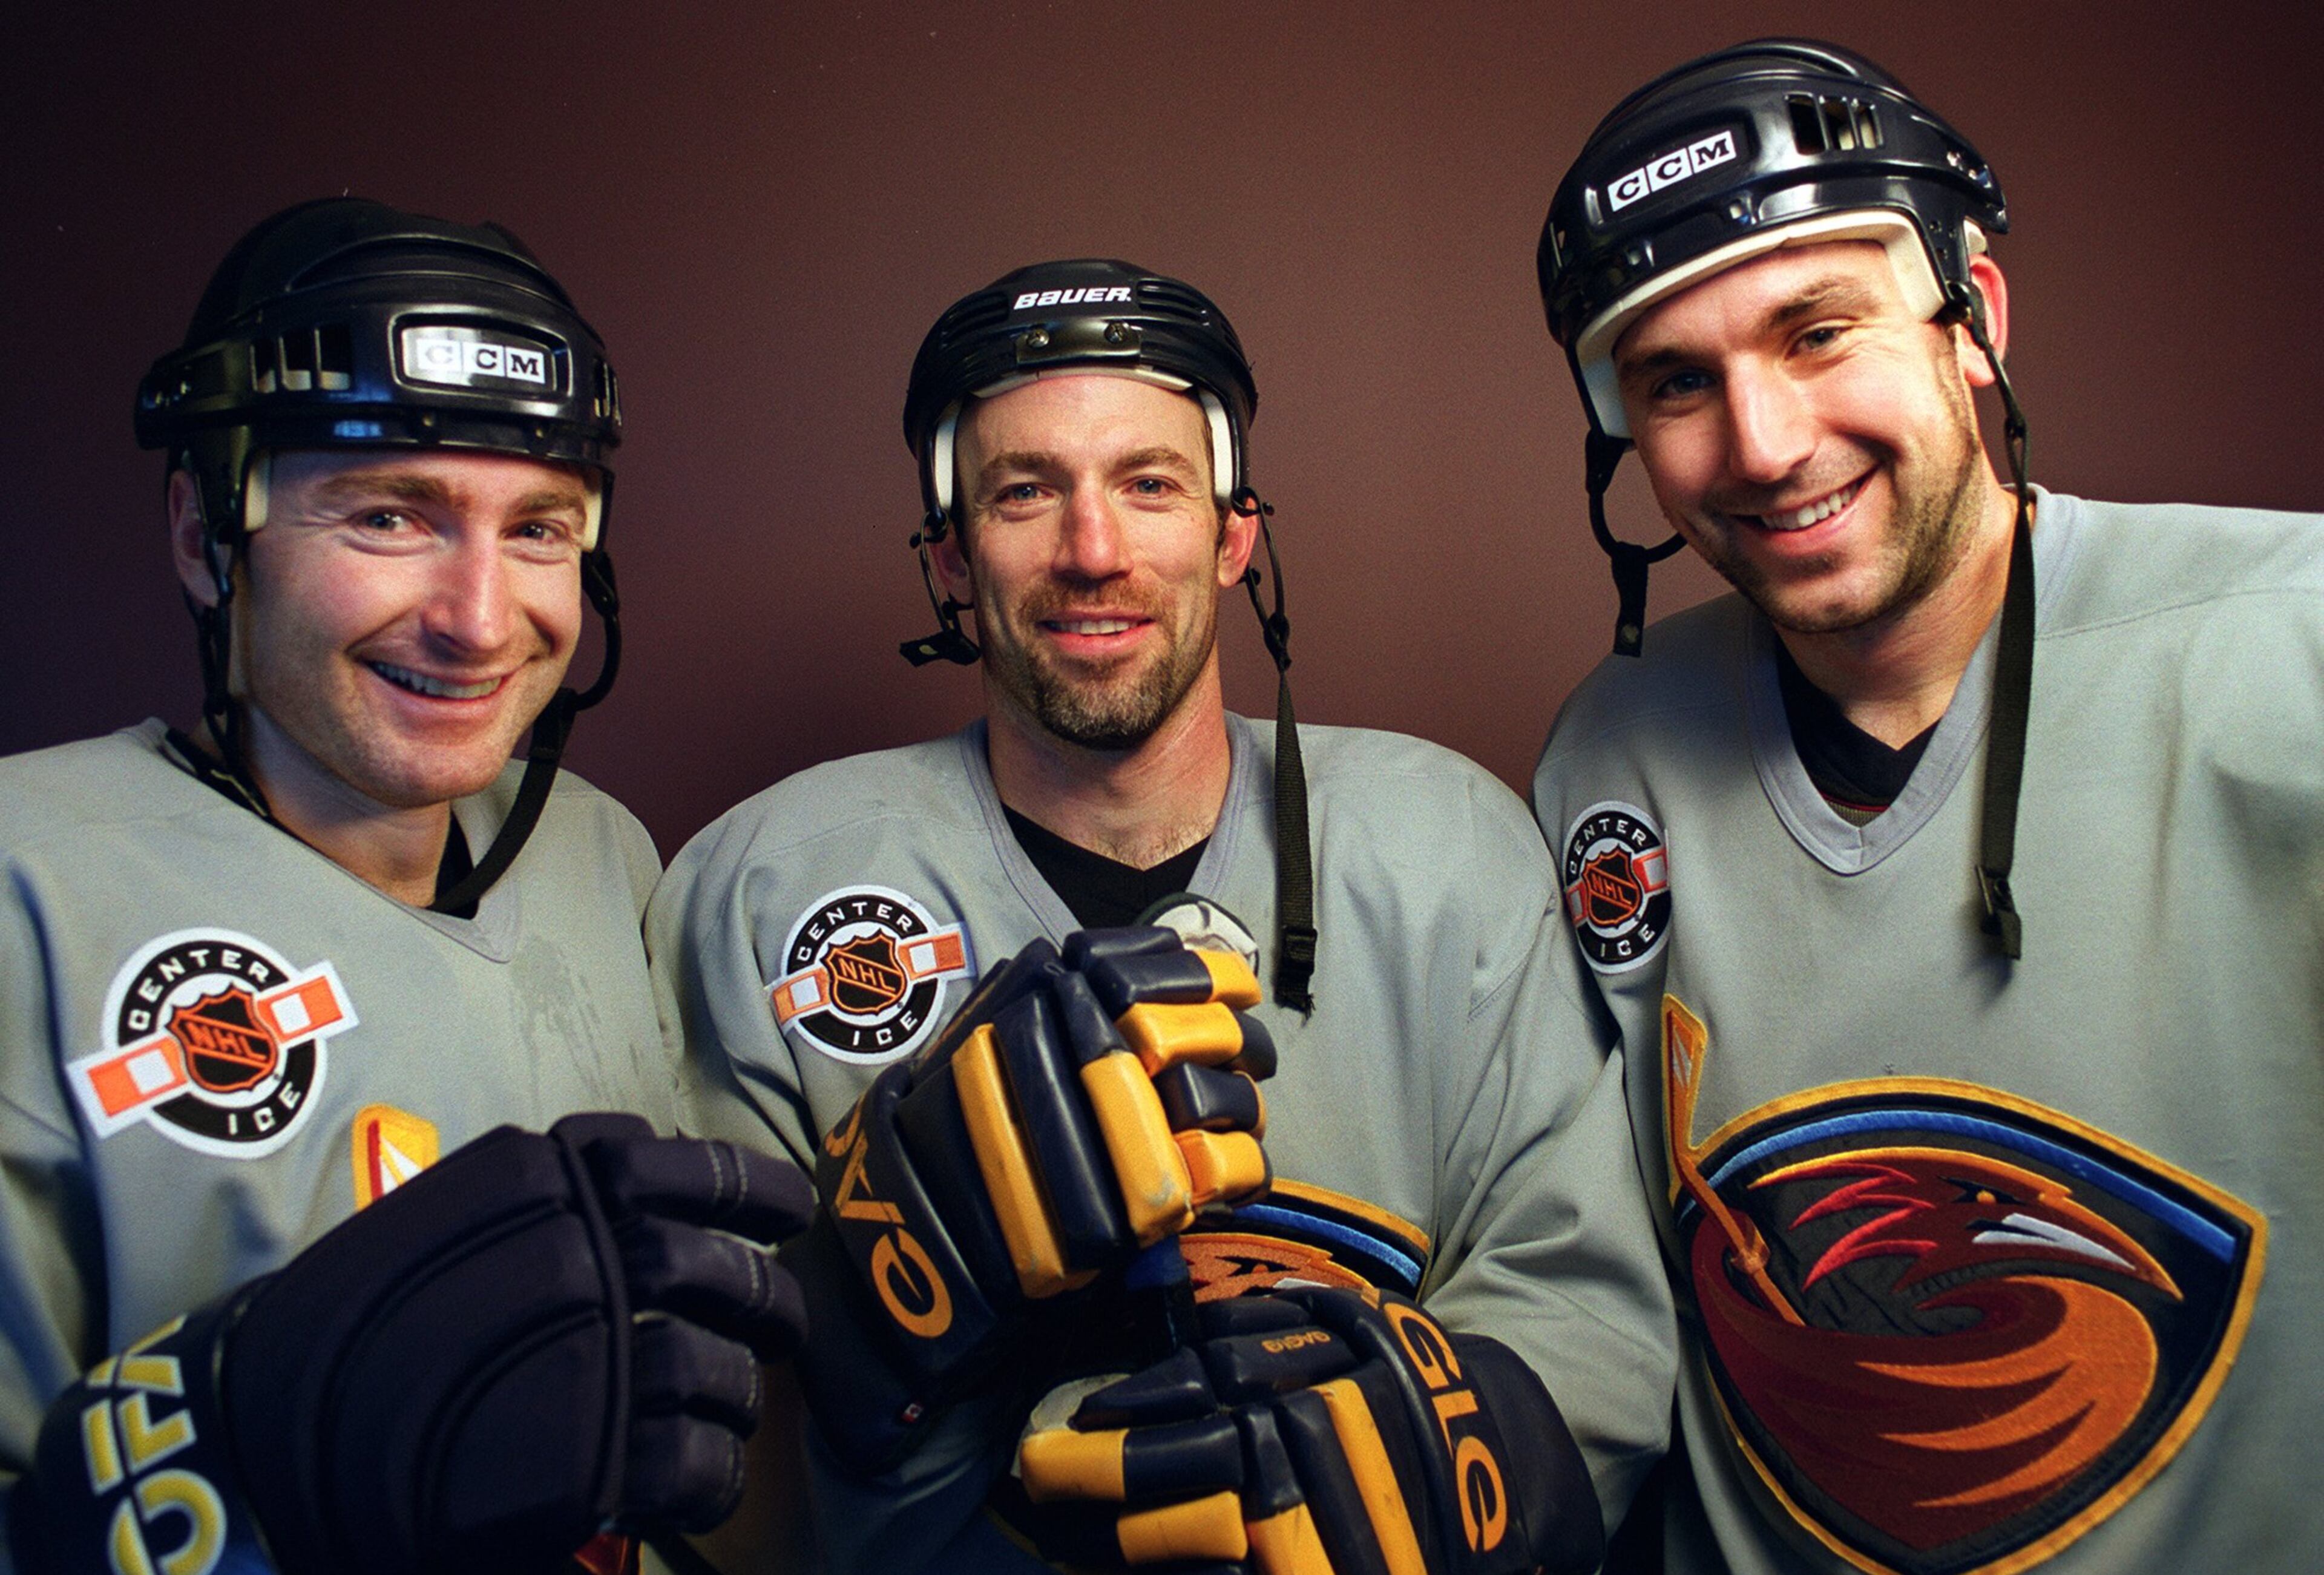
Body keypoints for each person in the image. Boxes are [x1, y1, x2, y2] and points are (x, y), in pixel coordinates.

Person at [649, 258, 1675, 1573]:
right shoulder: (762, 888)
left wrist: (1448, 1456)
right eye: (1027, 491)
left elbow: (1586, 1308)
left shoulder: (1449, 849)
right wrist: (862, 1309)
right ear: (951, 555)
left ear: (1235, 532)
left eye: (1150, 483)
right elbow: (719, 1482)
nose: (1094, 551)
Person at [1529, 38, 2322, 1575]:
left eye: (1818, 330)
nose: (1761, 446)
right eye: (1676, 382)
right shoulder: (1610, 752)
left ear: (1975, 322)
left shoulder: (2292, 651)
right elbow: (1609, 1281)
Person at [0, 199, 810, 1575]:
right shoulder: (28, 886)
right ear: (208, 534)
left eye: (539, 528)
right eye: (390, 514)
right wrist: (228, 1447)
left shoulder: (603, 851)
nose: (481, 618)